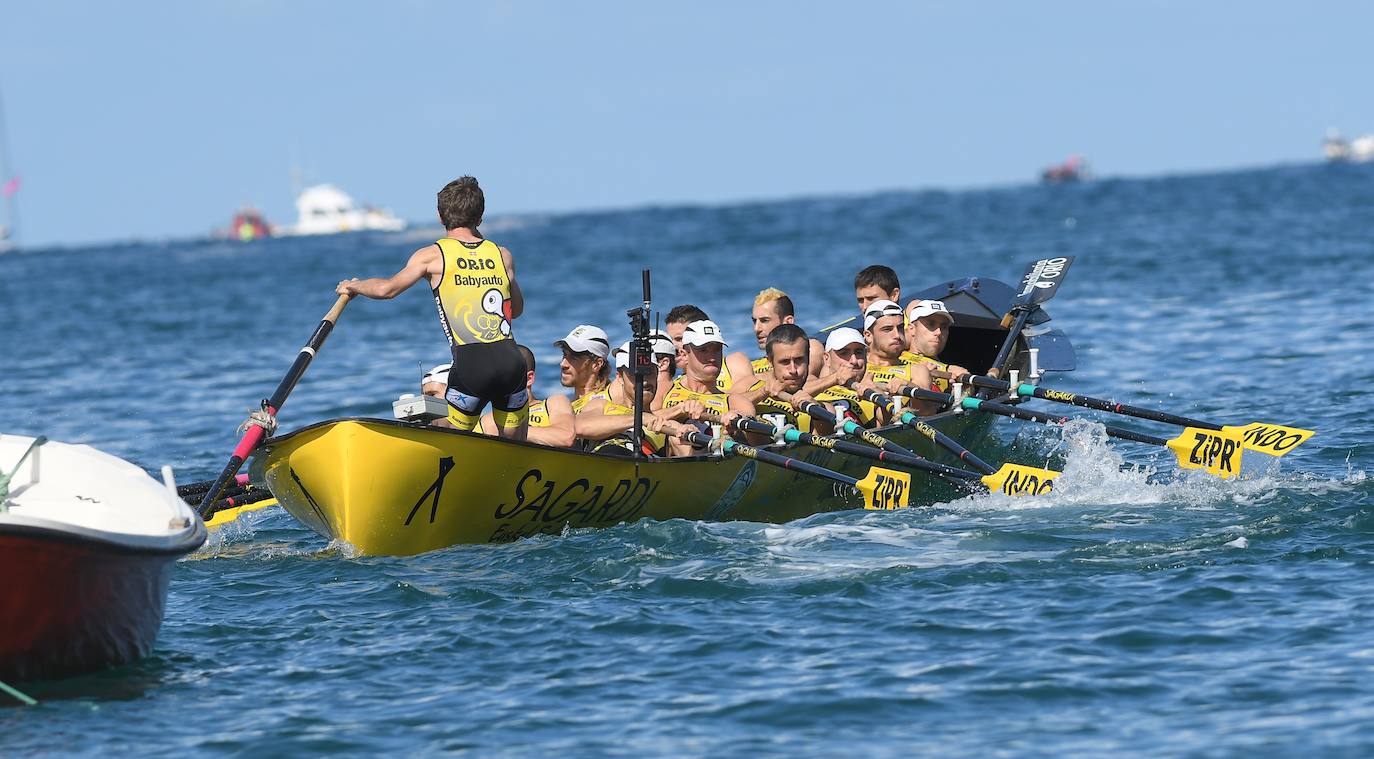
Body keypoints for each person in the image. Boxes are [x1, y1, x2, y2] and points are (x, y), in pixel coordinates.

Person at [336, 176, 528, 439]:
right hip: (511, 362)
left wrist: (355, 286)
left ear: (440, 216)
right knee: (516, 450)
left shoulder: (431, 256)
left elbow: (386, 290)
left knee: (447, 440)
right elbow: (515, 310)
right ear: (480, 217)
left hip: (473, 366)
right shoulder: (502, 254)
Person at [660, 319, 761, 456]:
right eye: (703, 350)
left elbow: (760, 444)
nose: (712, 357)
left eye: (716, 350)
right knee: (676, 433)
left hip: (718, 463)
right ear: (684, 354)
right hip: (674, 458)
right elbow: (645, 418)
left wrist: (740, 422)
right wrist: (680, 410)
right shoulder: (667, 388)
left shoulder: (734, 401)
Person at [575, 341, 691, 456]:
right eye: (635, 374)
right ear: (620, 377)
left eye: (649, 372)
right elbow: (580, 427)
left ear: (657, 375)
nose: (644, 381)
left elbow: (692, 466)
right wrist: (638, 419)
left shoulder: (670, 426)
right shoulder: (600, 405)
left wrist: (694, 444)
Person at [720, 288, 825, 391]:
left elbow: (804, 384)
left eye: (764, 320)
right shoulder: (745, 363)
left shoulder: (811, 347)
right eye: (754, 321)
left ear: (787, 322)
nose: (756, 329)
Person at [479, 345, 576, 447]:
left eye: (506, 376)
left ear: (529, 379)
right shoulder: (487, 420)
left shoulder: (553, 403)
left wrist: (509, 431)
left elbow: (566, 437)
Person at [732, 324, 820, 432]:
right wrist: (762, 393)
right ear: (770, 361)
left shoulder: (818, 401)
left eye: (799, 360)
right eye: (785, 362)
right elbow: (722, 407)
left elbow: (826, 433)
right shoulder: (749, 384)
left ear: (808, 359)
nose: (793, 370)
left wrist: (816, 411)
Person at [862, 300, 939, 415]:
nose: (897, 335)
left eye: (900, 328)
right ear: (868, 336)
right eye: (887, 329)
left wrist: (909, 386)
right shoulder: (856, 365)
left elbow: (928, 411)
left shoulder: (917, 370)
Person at [811, 327, 886, 431]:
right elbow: (795, 393)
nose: (854, 361)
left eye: (859, 352)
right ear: (827, 359)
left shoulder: (873, 393)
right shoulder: (812, 385)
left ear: (866, 356)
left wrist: (879, 394)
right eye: (844, 353)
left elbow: (890, 424)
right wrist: (835, 378)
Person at [903, 299, 969, 392]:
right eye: (931, 324)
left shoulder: (952, 372)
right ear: (912, 329)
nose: (938, 332)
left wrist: (963, 390)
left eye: (944, 326)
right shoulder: (894, 361)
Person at [554, 325, 613, 413]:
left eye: (574, 358)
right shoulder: (565, 407)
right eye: (564, 354)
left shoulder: (607, 404)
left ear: (597, 364)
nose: (563, 364)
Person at [663, 304, 710, 375]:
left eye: (679, 339)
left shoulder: (729, 369)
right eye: (669, 339)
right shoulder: (671, 384)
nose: (672, 346)